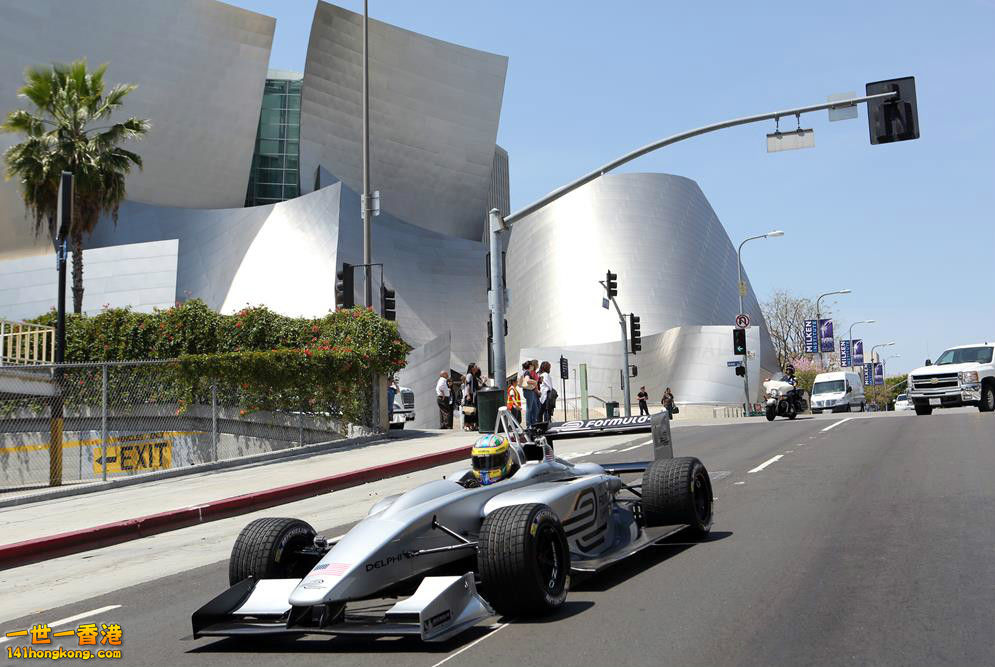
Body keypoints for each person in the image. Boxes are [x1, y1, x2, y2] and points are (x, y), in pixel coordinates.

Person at [519, 361, 539, 426]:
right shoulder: (527, 372)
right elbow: (527, 380)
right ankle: (529, 425)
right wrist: (535, 382)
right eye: (532, 365)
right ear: (530, 366)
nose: (533, 367)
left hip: (528, 391)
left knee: (534, 408)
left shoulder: (524, 372)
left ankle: (532, 424)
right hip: (529, 391)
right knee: (529, 408)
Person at [462, 363, 479, 431]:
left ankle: (471, 425)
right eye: (475, 366)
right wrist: (468, 395)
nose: (476, 368)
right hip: (469, 395)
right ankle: (467, 425)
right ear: (472, 368)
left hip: (473, 395)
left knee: (472, 411)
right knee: (468, 411)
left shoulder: (474, 375)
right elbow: (468, 385)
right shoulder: (469, 375)